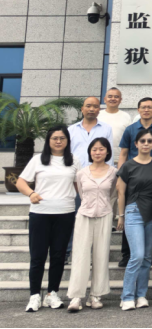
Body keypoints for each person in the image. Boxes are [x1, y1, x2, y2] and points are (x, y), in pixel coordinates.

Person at [17, 126, 78, 313]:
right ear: (48, 141)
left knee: (58, 256)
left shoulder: (74, 160)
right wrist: (31, 193)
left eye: (62, 138)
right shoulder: (38, 160)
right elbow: (20, 181)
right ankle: (34, 295)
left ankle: (52, 293)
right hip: (40, 213)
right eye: (54, 138)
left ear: (67, 141)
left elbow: (80, 185)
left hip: (65, 213)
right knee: (38, 256)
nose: (58, 141)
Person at [66, 137, 117, 313]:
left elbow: (113, 194)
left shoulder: (113, 172)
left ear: (107, 152)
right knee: (80, 255)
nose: (97, 152)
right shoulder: (82, 173)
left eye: (101, 149)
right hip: (84, 215)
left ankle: (96, 295)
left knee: (101, 255)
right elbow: (81, 193)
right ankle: (76, 296)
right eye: (94, 149)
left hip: (104, 215)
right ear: (89, 152)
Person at [117, 128, 152, 312]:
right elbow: (121, 193)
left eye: (149, 141)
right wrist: (121, 216)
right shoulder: (128, 166)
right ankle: (127, 296)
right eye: (142, 141)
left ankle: (141, 295)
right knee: (136, 255)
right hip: (134, 211)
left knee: (146, 257)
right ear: (135, 144)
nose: (146, 144)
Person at [119, 97, 152, 168]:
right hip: (133, 169)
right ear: (138, 110)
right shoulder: (130, 129)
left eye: (149, 107)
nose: (146, 110)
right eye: (143, 107)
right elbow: (123, 154)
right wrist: (120, 172)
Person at [68, 97, 114, 168]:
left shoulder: (106, 128)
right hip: (75, 169)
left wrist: (109, 170)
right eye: (88, 106)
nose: (91, 109)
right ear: (82, 109)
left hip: (99, 170)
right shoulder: (71, 129)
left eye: (95, 107)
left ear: (99, 110)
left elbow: (109, 152)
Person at [99, 88, 133, 166]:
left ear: (120, 100)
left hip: (119, 160)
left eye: (116, 97)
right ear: (104, 99)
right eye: (110, 96)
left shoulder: (126, 116)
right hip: (99, 159)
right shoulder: (98, 115)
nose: (113, 99)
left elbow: (130, 139)